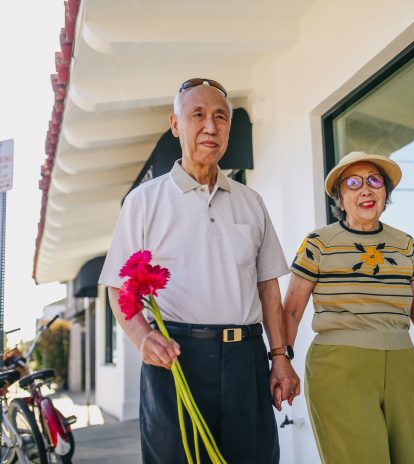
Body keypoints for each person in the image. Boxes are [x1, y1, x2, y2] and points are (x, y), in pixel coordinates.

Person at [98, 78, 300, 464]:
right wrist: (142, 337)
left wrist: (280, 357)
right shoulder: (143, 201)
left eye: (220, 117)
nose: (211, 126)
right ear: (175, 124)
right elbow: (117, 288)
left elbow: (268, 286)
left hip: (246, 359)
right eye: (198, 115)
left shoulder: (251, 201)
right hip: (176, 359)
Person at [283, 151, 414, 464]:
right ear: (340, 195)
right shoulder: (319, 242)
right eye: (353, 182)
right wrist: (282, 362)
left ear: (385, 193)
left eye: (374, 181)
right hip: (339, 367)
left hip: (405, 366)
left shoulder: (405, 243)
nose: (365, 189)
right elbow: (292, 309)